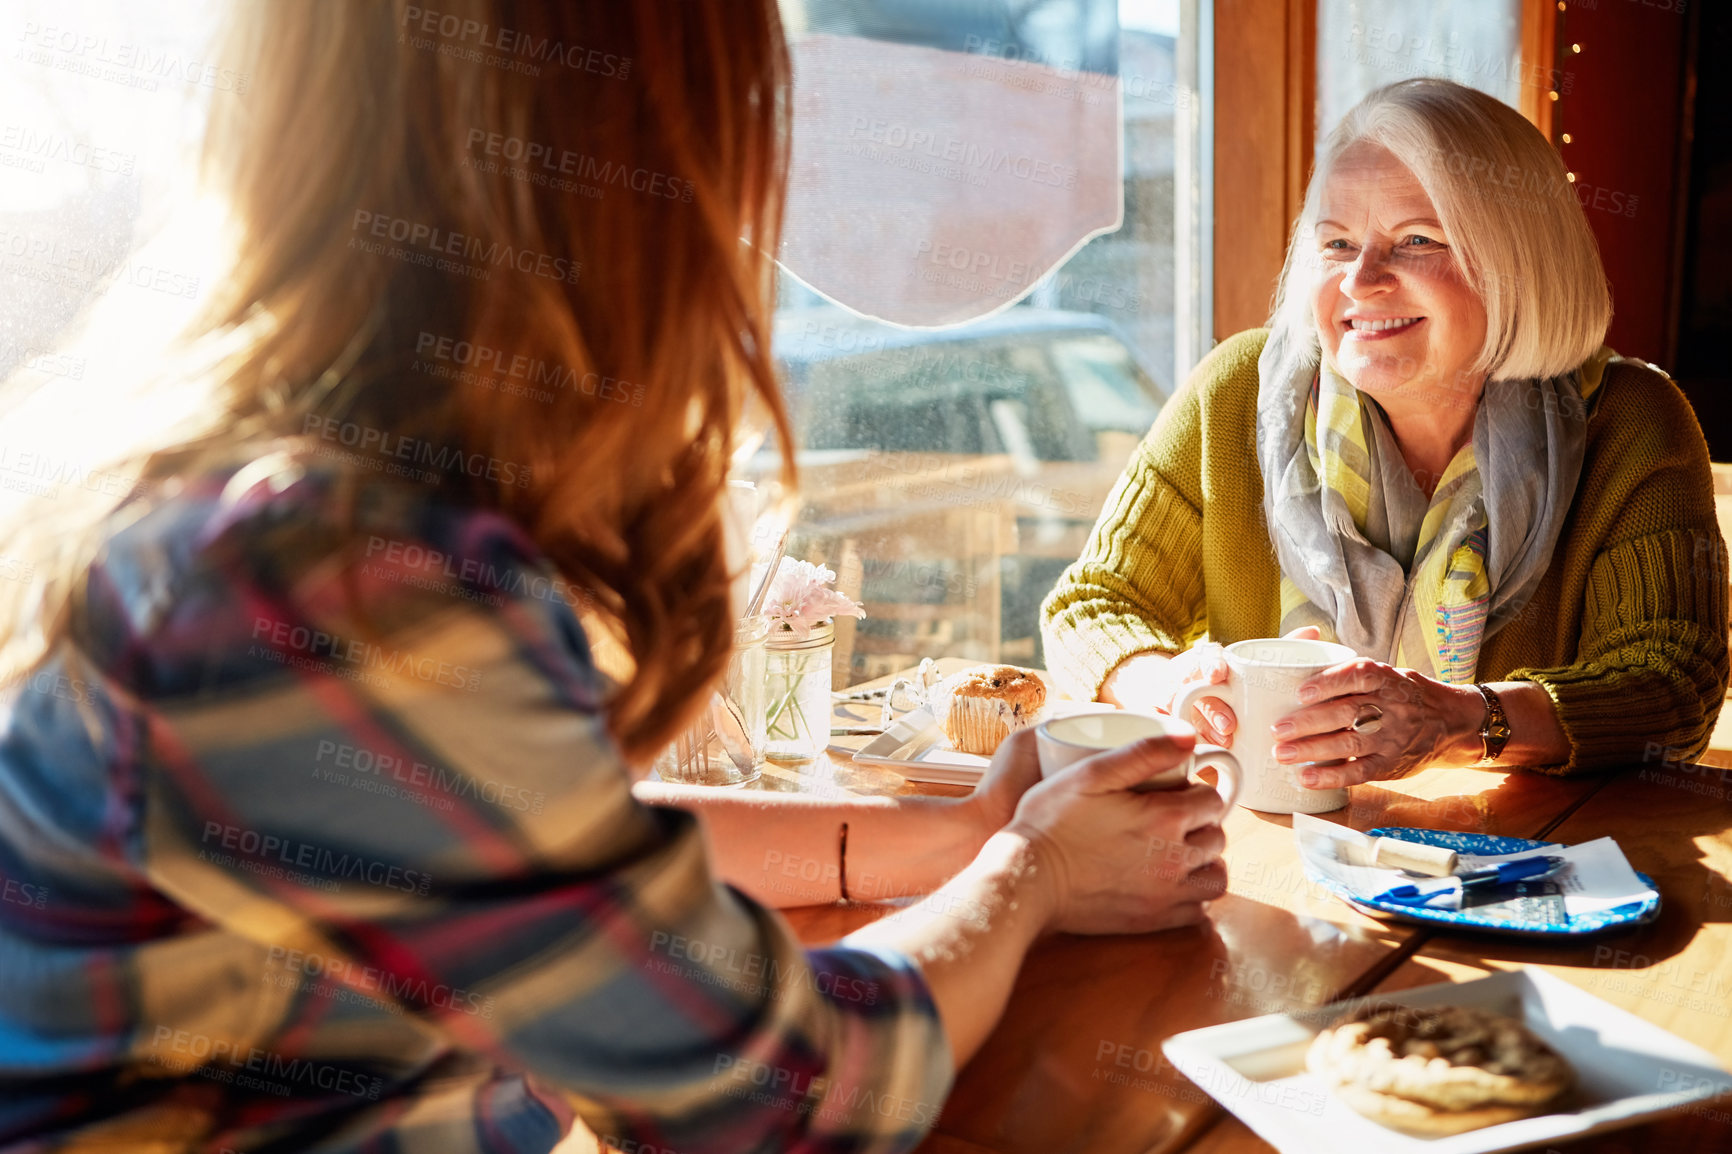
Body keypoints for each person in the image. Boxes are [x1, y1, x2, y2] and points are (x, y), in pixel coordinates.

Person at [0, 3, 1228, 1153]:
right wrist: (1031, 872)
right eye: (747, 121)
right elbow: (783, 1093)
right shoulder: (329, 584)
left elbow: (575, 850)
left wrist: (953, 832)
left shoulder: (270, 517)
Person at [1043, 77, 1729, 788]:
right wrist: (1166, 683)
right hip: (1263, 844)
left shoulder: (1632, 420)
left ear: (1520, 264)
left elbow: (1672, 685)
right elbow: (1092, 606)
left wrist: (1462, 722)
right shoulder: (1237, 391)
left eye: (1417, 240)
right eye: (1337, 243)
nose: (1361, 280)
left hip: (1522, 866)